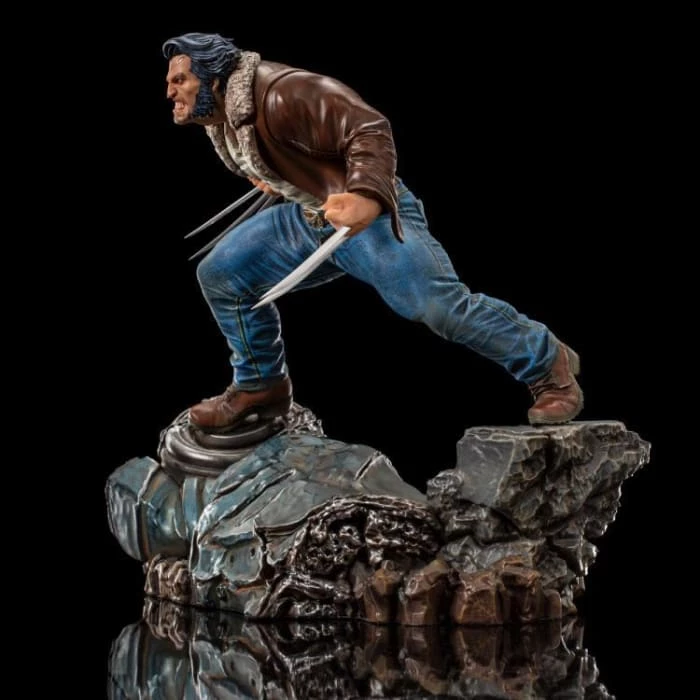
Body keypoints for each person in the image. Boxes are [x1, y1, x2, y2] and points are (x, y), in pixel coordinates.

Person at [162, 32, 583, 433]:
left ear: (214, 80)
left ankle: (547, 363)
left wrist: (365, 195)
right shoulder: (225, 115)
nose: (170, 92)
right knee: (221, 275)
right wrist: (274, 173)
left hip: (370, 216)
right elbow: (282, 149)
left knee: (436, 305)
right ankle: (260, 386)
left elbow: (368, 128)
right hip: (312, 217)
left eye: (180, 80)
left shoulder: (284, 91)